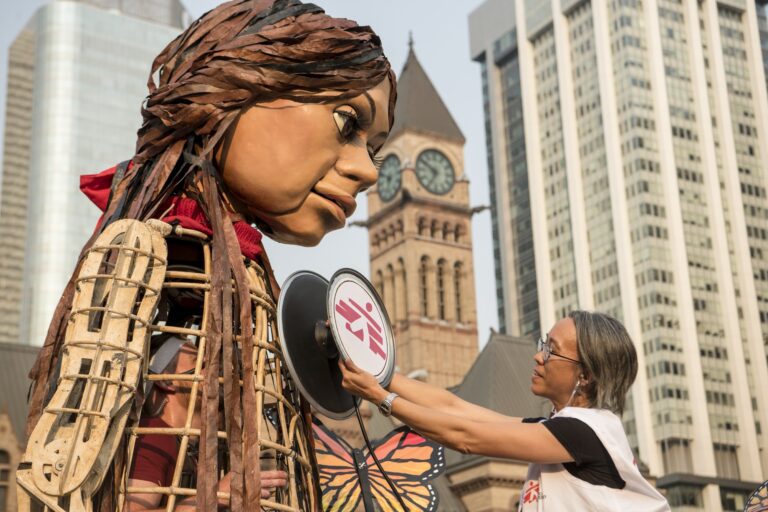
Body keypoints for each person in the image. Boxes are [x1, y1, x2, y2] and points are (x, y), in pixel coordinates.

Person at [20, 1, 396, 510]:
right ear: (229, 94)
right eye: (347, 123)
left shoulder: (245, 269)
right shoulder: (149, 252)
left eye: (372, 149)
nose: (367, 172)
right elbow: (98, 478)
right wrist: (206, 500)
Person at [339, 310, 671, 511]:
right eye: (543, 345)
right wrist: (378, 375)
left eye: (551, 352)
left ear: (585, 375)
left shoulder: (583, 432)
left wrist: (380, 397)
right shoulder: (562, 431)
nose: (538, 357)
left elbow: (466, 437)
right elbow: (455, 408)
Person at [125, 340, 288, 511]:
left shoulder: (191, 445)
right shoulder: (153, 436)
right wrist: (216, 496)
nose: (215, 369)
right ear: (166, 381)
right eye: (201, 363)